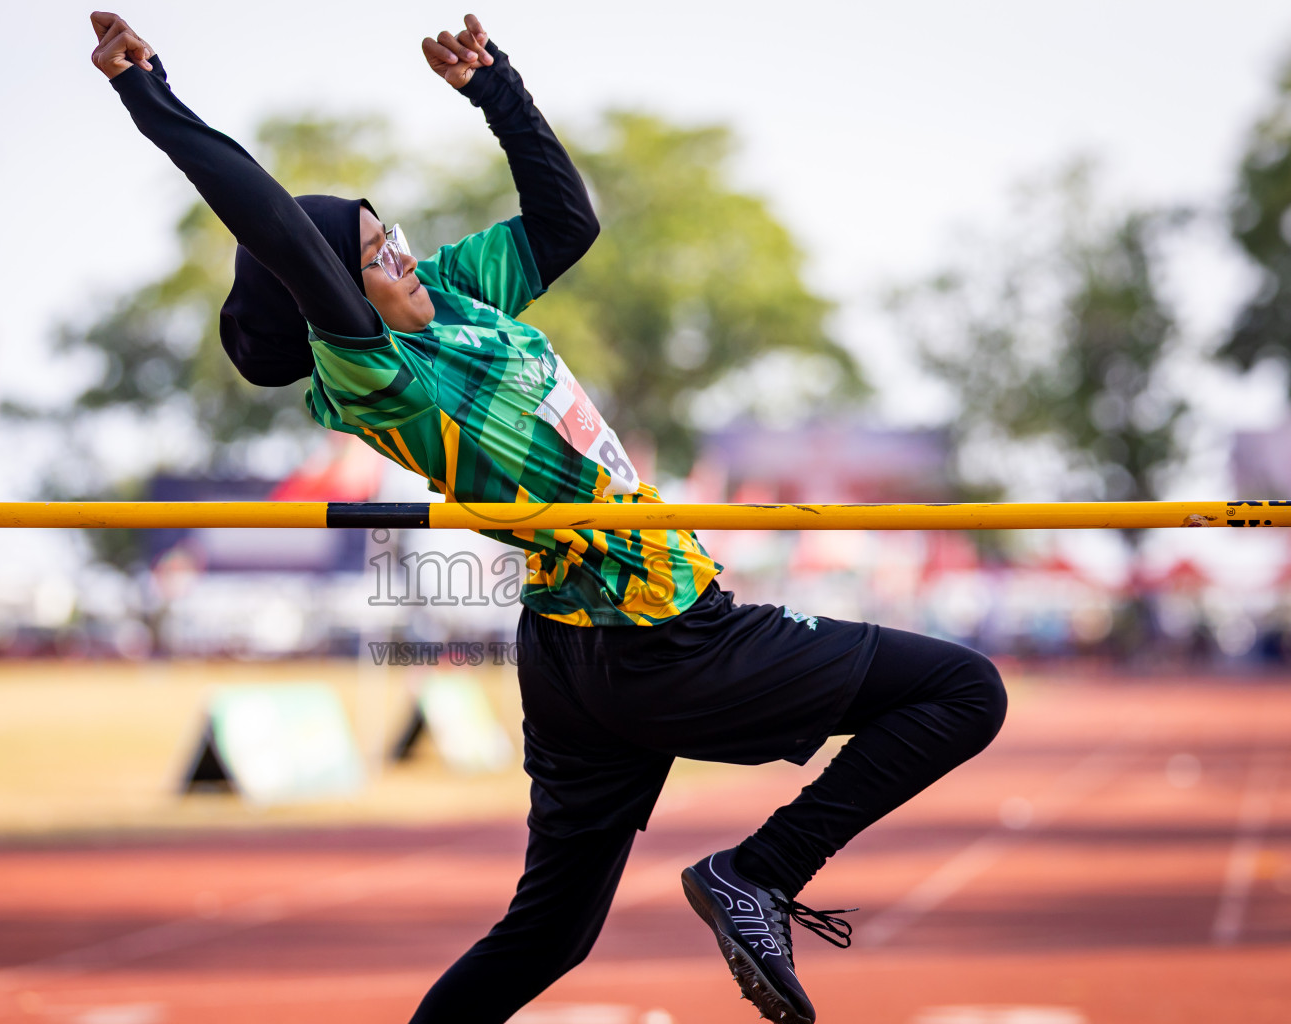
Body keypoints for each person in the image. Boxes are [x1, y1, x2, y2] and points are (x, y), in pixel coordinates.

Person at [90, 12, 1008, 1023]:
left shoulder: (456, 296)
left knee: (552, 932)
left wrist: (498, 91)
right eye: (372, 254)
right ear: (328, 300)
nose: (398, 252)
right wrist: (153, 99)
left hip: (574, 650)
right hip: (656, 636)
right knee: (966, 691)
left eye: (386, 230)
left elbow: (568, 223)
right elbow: (270, 223)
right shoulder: (378, 375)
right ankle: (763, 870)